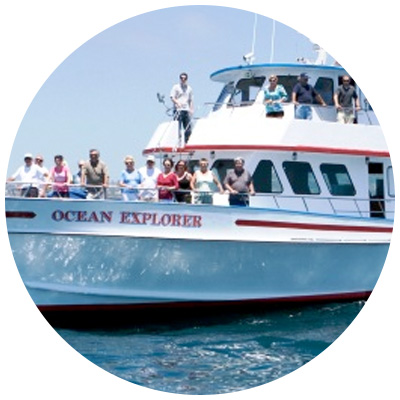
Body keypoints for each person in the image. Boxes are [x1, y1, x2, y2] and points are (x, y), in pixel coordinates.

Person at [170, 72, 194, 143]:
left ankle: (187, 142)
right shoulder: (176, 87)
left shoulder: (189, 89)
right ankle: (177, 142)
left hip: (186, 110)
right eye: (182, 78)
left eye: (185, 78)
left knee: (188, 128)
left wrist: (191, 109)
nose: (183, 79)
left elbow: (191, 100)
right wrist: (177, 103)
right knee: (177, 127)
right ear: (180, 79)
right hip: (178, 110)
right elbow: (172, 97)